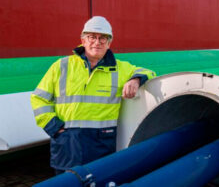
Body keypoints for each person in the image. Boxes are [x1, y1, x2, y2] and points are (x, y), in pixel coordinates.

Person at [30, 16, 156, 174]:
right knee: (66, 184)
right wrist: (54, 127)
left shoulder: (121, 68)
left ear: (109, 43)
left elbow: (149, 72)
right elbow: (38, 98)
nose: (97, 42)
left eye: (103, 38)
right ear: (83, 40)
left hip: (101, 146)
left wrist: (136, 79)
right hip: (67, 145)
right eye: (92, 37)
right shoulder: (61, 66)